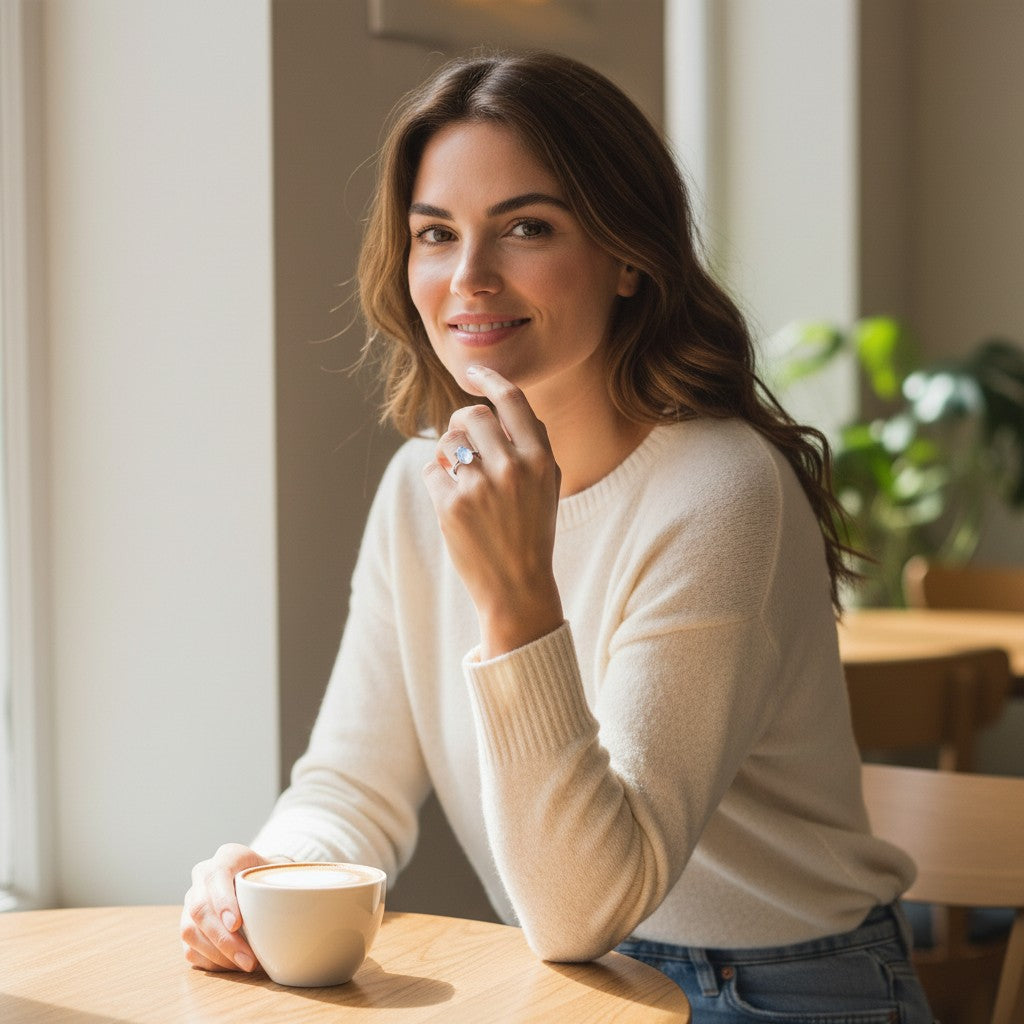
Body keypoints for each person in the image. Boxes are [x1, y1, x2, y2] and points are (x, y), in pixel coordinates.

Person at [181, 51, 935, 1021]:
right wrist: (270, 875)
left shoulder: (719, 488)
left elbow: (585, 904)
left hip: (780, 987)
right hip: (575, 986)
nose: (469, 278)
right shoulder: (422, 485)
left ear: (628, 255)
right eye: (435, 234)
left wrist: (514, 598)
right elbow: (350, 785)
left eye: (525, 227)